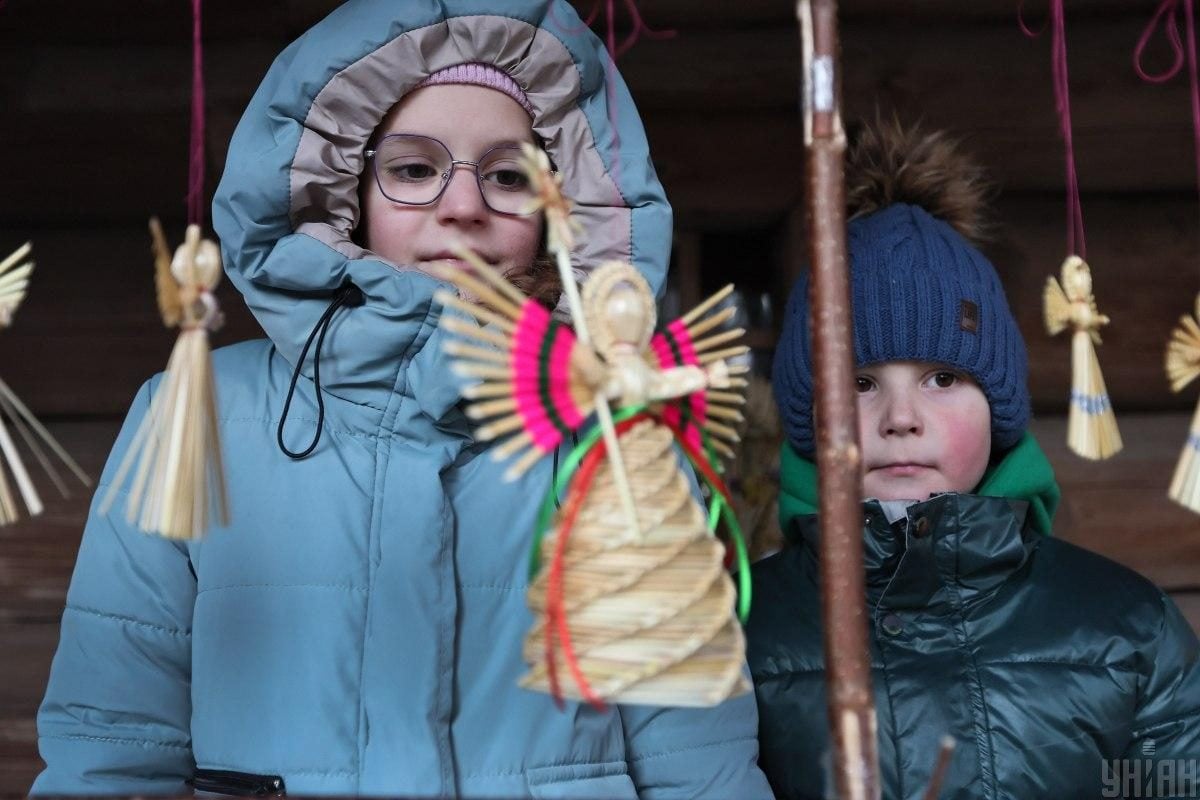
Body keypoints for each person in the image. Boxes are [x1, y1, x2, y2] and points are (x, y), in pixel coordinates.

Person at [31, 2, 772, 796]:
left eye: (510, 174)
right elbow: (112, 740)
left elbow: (697, 761)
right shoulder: (201, 412)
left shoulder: (622, 439)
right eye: (414, 170)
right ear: (344, 196)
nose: (462, 207)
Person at [747, 120, 1200, 799]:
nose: (901, 418)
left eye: (943, 379)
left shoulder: (1128, 628)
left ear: (1000, 409)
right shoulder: (738, 632)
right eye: (860, 383)